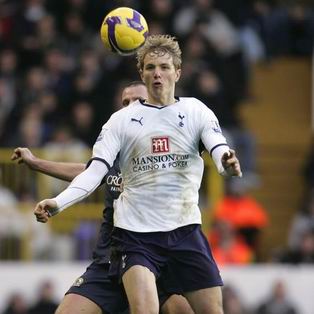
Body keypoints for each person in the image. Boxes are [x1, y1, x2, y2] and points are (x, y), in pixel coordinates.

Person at [32, 35, 242, 314]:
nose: (158, 73)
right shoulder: (120, 122)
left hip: (185, 232)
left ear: (177, 72)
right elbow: (94, 172)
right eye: (151, 67)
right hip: (136, 237)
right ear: (142, 73)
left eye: (165, 67)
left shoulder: (196, 111)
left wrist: (225, 163)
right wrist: (59, 202)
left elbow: (219, 149)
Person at [12, 81, 194, 314]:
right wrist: (35, 163)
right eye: (125, 102)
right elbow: (89, 173)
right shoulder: (115, 146)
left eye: (138, 100)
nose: (130, 106)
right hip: (110, 261)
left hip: (155, 261)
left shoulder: (168, 150)